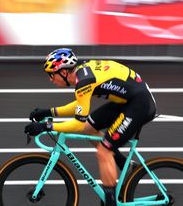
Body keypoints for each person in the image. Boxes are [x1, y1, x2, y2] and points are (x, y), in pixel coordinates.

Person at [24, 48, 157, 206]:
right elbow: (81, 105)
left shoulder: (84, 81)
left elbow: (78, 123)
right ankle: (125, 165)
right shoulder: (83, 75)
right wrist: (50, 112)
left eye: (51, 74)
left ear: (64, 72)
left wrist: (47, 126)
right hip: (128, 101)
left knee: (103, 152)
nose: (51, 79)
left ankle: (111, 202)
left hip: (139, 105)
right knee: (89, 127)